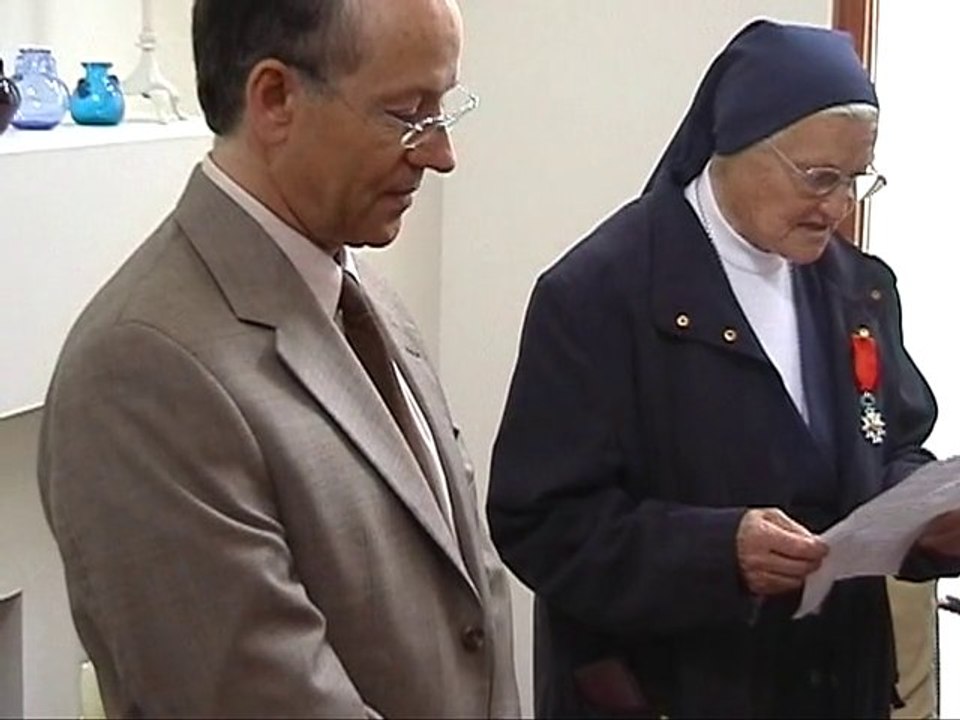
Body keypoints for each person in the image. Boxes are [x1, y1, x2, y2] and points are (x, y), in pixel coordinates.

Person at [37, 0, 519, 717]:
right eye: (406, 114)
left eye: (443, 108)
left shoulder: (360, 291)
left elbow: (468, 602)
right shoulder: (140, 372)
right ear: (274, 99)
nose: (440, 153)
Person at [487, 19, 960, 719]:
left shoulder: (859, 288)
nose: (837, 208)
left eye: (856, 181)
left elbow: (889, 446)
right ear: (735, 144)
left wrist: (927, 517)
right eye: (820, 178)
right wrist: (717, 553)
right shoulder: (600, 294)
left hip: (838, 686)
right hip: (673, 691)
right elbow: (540, 521)